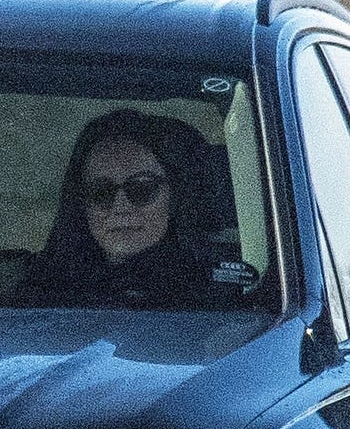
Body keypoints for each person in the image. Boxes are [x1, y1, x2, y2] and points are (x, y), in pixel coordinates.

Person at [26, 108, 229, 307]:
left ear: (177, 197)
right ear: (80, 203)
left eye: (141, 188)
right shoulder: (44, 287)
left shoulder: (214, 292)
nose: (120, 207)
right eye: (101, 191)